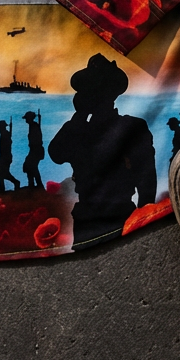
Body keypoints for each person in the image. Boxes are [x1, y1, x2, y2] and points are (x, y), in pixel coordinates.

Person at [49, 54, 156, 245]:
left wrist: (143, 222)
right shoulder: (78, 129)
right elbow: (56, 154)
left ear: (110, 94)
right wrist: (79, 116)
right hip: (86, 216)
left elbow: (146, 180)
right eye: (88, 91)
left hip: (121, 214)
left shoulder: (132, 127)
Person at [0, 120, 21, 192]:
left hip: (5, 156)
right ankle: (2, 186)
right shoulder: (5, 134)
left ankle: (15, 182)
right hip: (4, 156)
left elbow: (6, 146)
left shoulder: (5, 134)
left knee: (2, 172)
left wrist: (4, 156)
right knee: (0, 171)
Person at [22, 111, 44, 188]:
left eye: (27, 118)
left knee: (31, 167)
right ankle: (34, 184)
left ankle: (36, 185)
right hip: (35, 150)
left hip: (36, 150)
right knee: (31, 167)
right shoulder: (33, 126)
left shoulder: (34, 126)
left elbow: (37, 140)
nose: (26, 120)